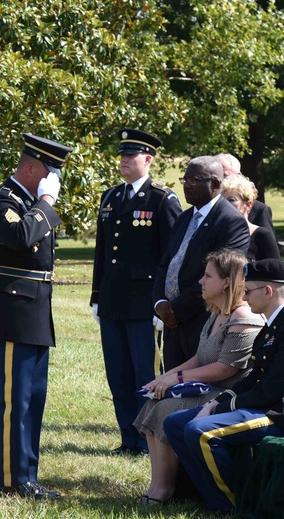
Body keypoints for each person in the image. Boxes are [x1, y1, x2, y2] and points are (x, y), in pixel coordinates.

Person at [163, 258, 284, 513]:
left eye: (247, 290)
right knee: (175, 423)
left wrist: (221, 408)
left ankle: (231, 506)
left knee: (200, 431)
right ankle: (203, 495)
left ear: (268, 291)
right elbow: (253, 379)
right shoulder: (274, 323)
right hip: (264, 406)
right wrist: (216, 402)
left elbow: (274, 388)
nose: (242, 295)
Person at [0, 133, 74, 500]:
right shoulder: (1, 201)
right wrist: (47, 200)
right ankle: (9, 478)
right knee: (14, 398)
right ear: (32, 168)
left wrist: (43, 201)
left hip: (34, 308)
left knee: (33, 396)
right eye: (50, 172)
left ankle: (27, 475)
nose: (54, 181)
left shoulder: (28, 202)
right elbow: (21, 237)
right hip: (12, 311)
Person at [134, 249, 263, 504]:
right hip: (209, 391)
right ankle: (157, 485)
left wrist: (177, 380)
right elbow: (201, 358)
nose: (200, 282)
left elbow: (225, 369)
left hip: (227, 396)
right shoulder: (216, 313)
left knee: (167, 408)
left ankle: (165, 490)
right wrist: (168, 375)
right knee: (153, 403)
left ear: (226, 282)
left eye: (207, 276)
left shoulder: (244, 319)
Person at [91, 128, 181, 457]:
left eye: (132, 155)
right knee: (118, 373)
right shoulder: (111, 197)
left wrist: (164, 304)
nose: (124, 160)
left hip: (144, 303)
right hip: (114, 300)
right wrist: (97, 296)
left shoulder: (161, 199)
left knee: (146, 374)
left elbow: (171, 257)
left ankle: (147, 441)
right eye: (122, 155)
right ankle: (127, 437)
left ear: (149, 159)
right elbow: (102, 253)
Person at [153, 156, 251, 370]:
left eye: (195, 180)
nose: (187, 185)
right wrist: (160, 303)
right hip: (171, 322)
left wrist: (176, 309)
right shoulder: (183, 218)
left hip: (204, 320)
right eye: (185, 179)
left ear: (215, 184)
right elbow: (166, 264)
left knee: (196, 390)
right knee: (171, 387)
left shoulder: (230, 222)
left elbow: (220, 276)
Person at [221, 175, 281, 261]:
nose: (225, 205)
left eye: (231, 200)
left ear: (248, 204)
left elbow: (277, 271)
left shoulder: (262, 236)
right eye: (222, 200)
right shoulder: (215, 233)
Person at [215, 153, 275, 237]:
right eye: (215, 176)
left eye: (224, 175)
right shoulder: (205, 207)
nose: (219, 181)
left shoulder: (259, 210)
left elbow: (268, 245)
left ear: (238, 175)